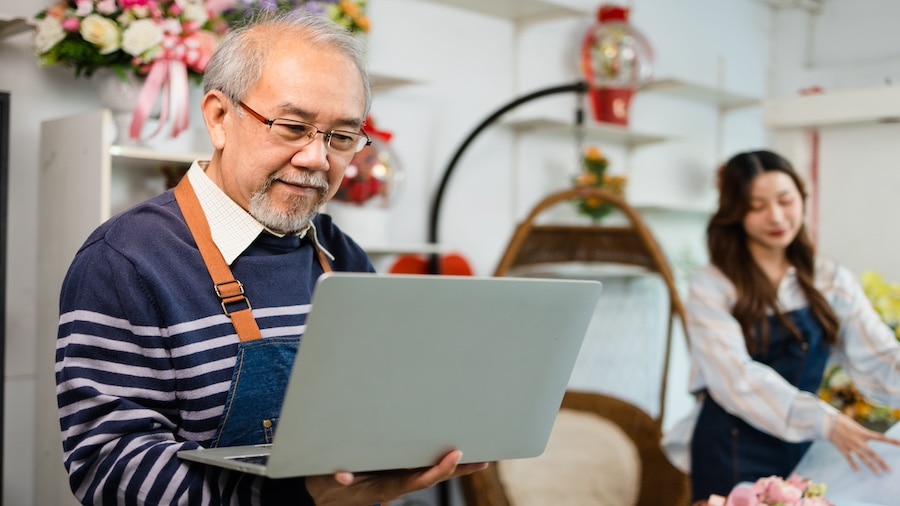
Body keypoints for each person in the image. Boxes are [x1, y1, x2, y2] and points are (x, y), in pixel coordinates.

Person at [55, 12, 486, 505]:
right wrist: (299, 499)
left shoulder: (339, 254)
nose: (317, 159)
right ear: (219, 117)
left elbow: (375, 408)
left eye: (341, 137)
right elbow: (108, 467)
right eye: (293, 127)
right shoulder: (125, 261)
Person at [662, 149, 900, 502]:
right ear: (735, 212)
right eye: (756, 206)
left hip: (801, 449)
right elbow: (736, 378)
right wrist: (825, 421)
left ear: (801, 200)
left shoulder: (829, 279)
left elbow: (879, 356)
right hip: (731, 448)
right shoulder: (712, 285)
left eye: (785, 201)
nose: (775, 216)